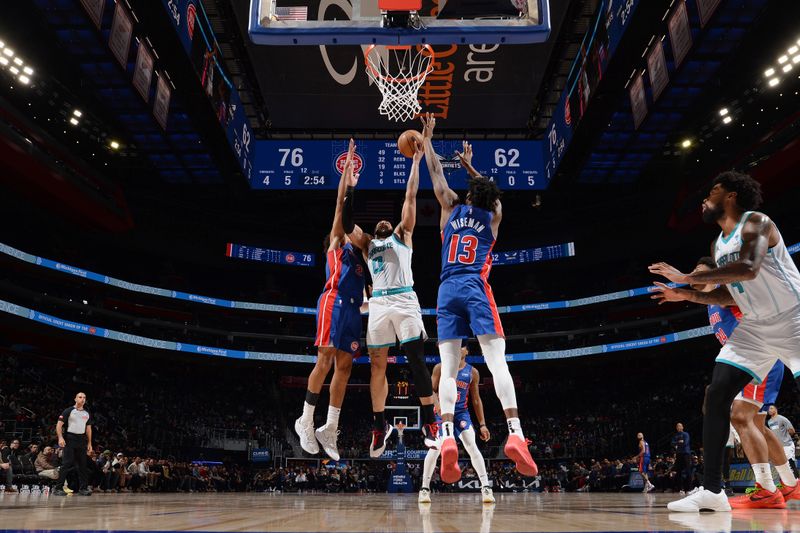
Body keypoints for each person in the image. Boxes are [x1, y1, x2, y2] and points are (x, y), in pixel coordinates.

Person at [651, 171, 800, 512]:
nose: (705, 198)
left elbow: (748, 268)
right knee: (717, 394)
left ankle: (785, 483)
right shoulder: (718, 245)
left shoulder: (756, 222)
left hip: (793, 318)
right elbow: (727, 292)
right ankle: (713, 491)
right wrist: (684, 293)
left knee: (746, 415)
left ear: (731, 196)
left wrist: (689, 277)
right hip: (756, 329)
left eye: (713, 190)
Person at [420, 112, 537, 483]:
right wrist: (473, 167)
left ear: (467, 196)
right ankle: (516, 433)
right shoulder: (494, 216)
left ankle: (448, 435)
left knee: (449, 368)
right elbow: (491, 193)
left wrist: (428, 139)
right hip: (474, 287)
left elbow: (436, 174)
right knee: (497, 360)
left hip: (446, 288)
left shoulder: (449, 208)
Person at [341, 136, 438, 456]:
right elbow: (345, 225)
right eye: (379, 220)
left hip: (406, 299)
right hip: (380, 302)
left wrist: (415, 162)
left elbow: (411, 195)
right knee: (377, 365)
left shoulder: (403, 234)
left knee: (415, 359)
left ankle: (429, 422)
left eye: (387, 219)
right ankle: (378, 426)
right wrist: (351, 187)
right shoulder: (367, 243)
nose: (383, 220)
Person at [692, 256, 797, 507]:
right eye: (693, 270)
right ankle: (789, 483)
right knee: (757, 426)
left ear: (714, 276)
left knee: (740, 418)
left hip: (759, 359)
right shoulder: (711, 303)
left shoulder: (725, 293)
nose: (695, 273)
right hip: (754, 363)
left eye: (700, 271)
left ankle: (767, 489)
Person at [295, 139, 365, 461]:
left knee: (346, 366)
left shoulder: (362, 258)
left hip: (352, 310)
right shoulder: (337, 243)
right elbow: (341, 207)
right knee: (324, 360)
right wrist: (348, 180)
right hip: (332, 301)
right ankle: (306, 420)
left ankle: (329, 427)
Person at [419, 342, 495, 504]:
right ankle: (424, 489)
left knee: (471, 445)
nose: (457, 347)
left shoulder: (472, 372)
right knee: (436, 448)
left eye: (461, 346)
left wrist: (482, 424)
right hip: (442, 414)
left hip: (461, 414)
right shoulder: (440, 367)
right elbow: (431, 389)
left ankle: (486, 487)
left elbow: (475, 399)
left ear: (466, 351)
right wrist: (437, 404)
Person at [53, 392, 93, 496]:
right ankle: (58, 488)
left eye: (84, 397)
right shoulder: (69, 411)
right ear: (75, 399)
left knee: (82, 465)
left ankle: (83, 488)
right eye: (80, 397)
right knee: (67, 464)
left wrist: (89, 443)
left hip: (81, 440)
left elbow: (88, 429)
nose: (82, 399)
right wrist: (60, 437)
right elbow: (59, 425)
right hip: (70, 438)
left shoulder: (86, 413)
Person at [767, 406, 797, 475]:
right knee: (783, 466)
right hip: (778, 447)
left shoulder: (782, 419)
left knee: (791, 465)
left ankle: (797, 481)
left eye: (771, 408)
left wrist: (785, 437)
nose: (769, 410)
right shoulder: (769, 422)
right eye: (768, 409)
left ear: (776, 409)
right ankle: (787, 483)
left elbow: (792, 430)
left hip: (787, 445)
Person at [670, 423, 692, 494]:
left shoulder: (686, 434)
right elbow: (672, 443)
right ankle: (680, 489)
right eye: (677, 426)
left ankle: (688, 489)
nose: (678, 427)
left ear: (682, 427)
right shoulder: (675, 435)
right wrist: (679, 442)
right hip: (679, 454)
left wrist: (677, 443)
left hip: (686, 453)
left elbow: (685, 443)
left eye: (680, 426)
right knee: (678, 472)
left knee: (688, 471)